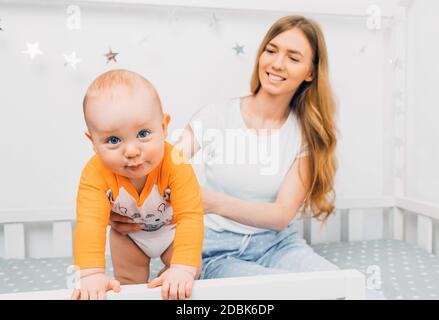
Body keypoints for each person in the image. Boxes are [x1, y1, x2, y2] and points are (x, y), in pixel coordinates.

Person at [110, 16, 384, 299]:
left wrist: (213, 203)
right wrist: (125, 207)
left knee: (357, 293)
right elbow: (161, 168)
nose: (277, 64)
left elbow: (280, 216)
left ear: (310, 73)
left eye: (293, 57)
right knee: (285, 295)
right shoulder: (217, 115)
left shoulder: (307, 135)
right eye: (271, 50)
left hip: (279, 245)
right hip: (216, 250)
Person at [71, 69, 204, 300]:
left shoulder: (176, 164)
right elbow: (90, 223)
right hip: (129, 236)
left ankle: (167, 278)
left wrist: (181, 268)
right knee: (129, 285)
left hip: (171, 232)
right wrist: (91, 273)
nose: (132, 151)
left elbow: (190, 216)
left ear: (163, 127)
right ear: (93, 142)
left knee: (188, 274)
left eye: (143, 133)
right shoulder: (94, 174)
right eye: (113, 140)